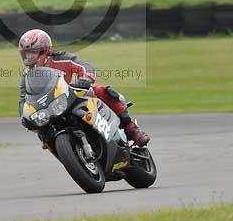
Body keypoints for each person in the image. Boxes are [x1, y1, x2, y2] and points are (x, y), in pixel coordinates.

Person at [17, 28, 150, 147]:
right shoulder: (27, 76)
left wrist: (84, 80)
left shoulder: (62, 58)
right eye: (26, 54)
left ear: (44, 50)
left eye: (32, 53)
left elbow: (86, 67)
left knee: (101, 91)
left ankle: (132, 130)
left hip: (75, 96)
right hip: (52, 108)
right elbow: (24, 99)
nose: (29, 58)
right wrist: (25, 115)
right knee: (43, 134)